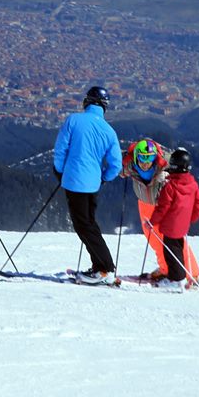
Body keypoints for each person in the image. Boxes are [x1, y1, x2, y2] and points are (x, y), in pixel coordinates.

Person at [53, 86, 122, 285]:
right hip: (93, 184)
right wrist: (103, 178)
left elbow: (60, 150)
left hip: (74, 181)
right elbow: (116, 165)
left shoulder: (73, 120)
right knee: (89, 224)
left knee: (84, 226)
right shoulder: (109, 131)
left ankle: (104, 269)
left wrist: (60, 171)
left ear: (87, 101)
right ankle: (100, 265)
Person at [121, 137, 199, 284]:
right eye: (142, 158)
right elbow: (117, 166)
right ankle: (166, 269)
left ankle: (192, 273)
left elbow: (182, 171)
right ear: (136, 157)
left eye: (150, 158)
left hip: (163, 206)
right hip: (144, 204)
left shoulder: (165, 162)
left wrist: (172, 178)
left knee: (173, 241)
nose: (146, 162)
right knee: (154, 240)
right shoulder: (129, 164)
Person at [148, 148, 199, 291]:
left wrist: (152, 222)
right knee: (178, 250)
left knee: (171, 254)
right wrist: (191, 218)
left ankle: (177, 280)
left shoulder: (170, 186)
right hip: (183, 225)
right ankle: (180, 277)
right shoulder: (193, 184)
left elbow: (162, 208)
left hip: (170, 226)